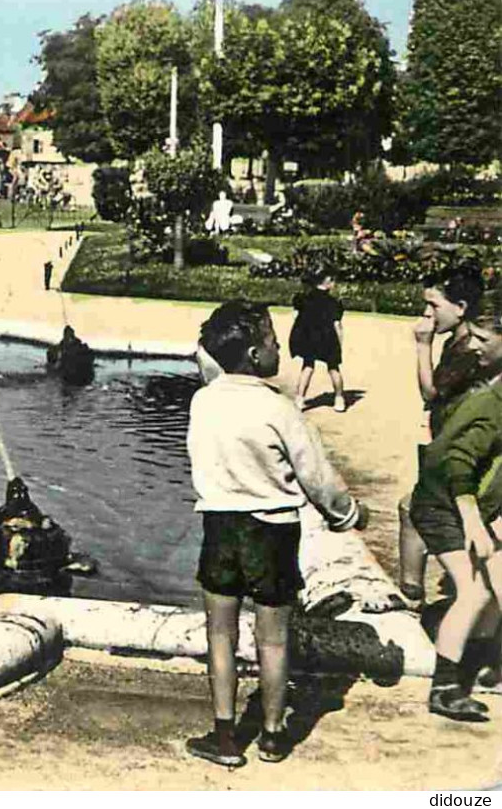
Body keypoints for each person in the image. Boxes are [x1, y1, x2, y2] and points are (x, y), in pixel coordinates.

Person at [185, 301, 365, 768]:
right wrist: (347, 515)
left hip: (221, 529)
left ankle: (225, 738)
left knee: (219, 635)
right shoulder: (279, 409)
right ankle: (272, 734)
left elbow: (208, 359)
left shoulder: (204, 400)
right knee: (274, 638)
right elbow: (317, 477)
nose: (278, 347)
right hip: (273, 532)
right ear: (252, 353)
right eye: (270, 340)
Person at [407, 322, 502, 721]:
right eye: (475, 337)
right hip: (442, 503)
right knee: (477, 590)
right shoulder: (493, 402)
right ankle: (444, 688)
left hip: (470, 504)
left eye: (483, 339)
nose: (473, 345)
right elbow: (458, 463)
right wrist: (474, 524)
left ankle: (479, 667)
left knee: (498, 586)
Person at [401, 268, 495, 603]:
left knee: (417, 507)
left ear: (461, 307)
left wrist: (422, 345)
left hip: (460, 442)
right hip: (452, 436)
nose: (427, 314)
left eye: (433, 306)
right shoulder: (461, 341)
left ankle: (412, 594)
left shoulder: (469, 349)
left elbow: (430, 392)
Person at [289, 272, 347, 412]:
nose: (334, 283)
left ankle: (300, 399)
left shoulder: (303, 298)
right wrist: (339, 342)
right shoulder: (334, 302)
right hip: (327, 337)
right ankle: (339, 399)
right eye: (332, 280)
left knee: (307, 366)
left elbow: (295, 317)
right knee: (333, 368)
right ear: (327, 281)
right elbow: (337, 324)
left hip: (309, 336)